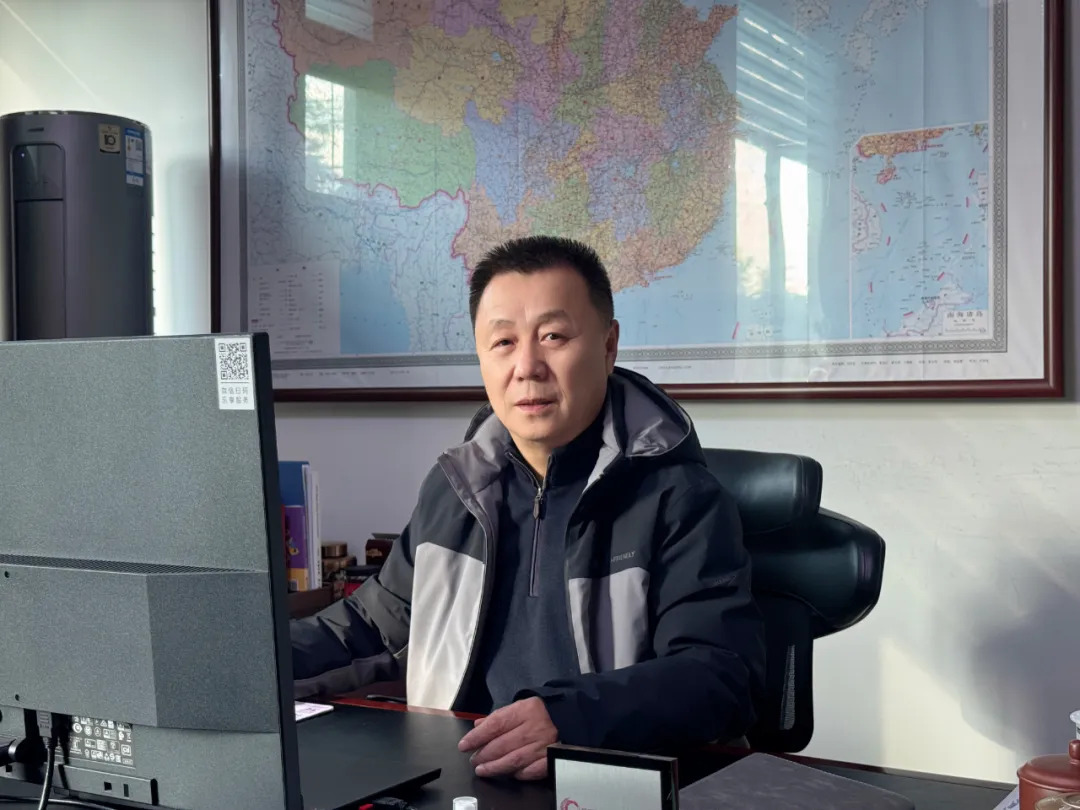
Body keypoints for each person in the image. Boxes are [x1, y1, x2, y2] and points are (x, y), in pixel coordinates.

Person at [291, 235, 765, 780]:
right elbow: (371, 625)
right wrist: (247, 654)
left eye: (553, 336)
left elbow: (721, 674)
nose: (527, 367)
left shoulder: (679, 498)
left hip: (602, 781)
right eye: (503, 342)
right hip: (460, 775)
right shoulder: (456, 490)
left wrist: (573, 719)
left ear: (609, 345)